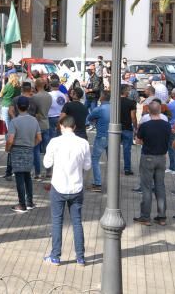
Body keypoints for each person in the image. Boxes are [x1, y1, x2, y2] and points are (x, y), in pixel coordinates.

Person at [42, 116, 91, 266]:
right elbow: (88, 166)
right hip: (76, 187)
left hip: (58, 186)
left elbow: (46, 163)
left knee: (57, 221)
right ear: (74, 127)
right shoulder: (83, 143)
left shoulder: (55, 142)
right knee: (77, 221)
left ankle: (55, 256)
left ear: (61, 126)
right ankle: (80, 257)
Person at [134, 100, 171, 226]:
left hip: (148, 157)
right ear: (160, 110)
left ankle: (145, 217)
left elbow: (138, 141)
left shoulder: (145, 126)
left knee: (146, 187)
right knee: (160, 186)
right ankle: (162, 217)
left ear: (148, 112)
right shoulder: (167, 125)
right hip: (162, 158)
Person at [6, 97, 41, 213]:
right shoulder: (34, 120)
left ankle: (22, 204)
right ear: (28, 107)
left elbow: (10, 139)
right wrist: (31, 144)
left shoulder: (14, 121)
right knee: (27, 177)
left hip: (17, 150)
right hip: (29, 150)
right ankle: (30, 202)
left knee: (19, 178)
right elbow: (39, 138)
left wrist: (8, 149)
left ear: (17, 107)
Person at [86, 91, 110, 192]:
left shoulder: (99, 109)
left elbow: (89, 118)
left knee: (95, 160)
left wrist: (95, 122)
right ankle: (113, 182)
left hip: (102, 136)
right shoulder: (115, 108)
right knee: (112, 161)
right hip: (114, 137)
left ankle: (98, 183)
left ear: (102, 98)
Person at [32, 78, 52, 180]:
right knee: (47, 149)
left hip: (37, 125)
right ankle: (49, 171)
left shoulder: (35, 97)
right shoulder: (49, 96)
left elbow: (33, 112)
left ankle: (37, 172)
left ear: (36, 85)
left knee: (35, 149)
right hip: (46, 123)